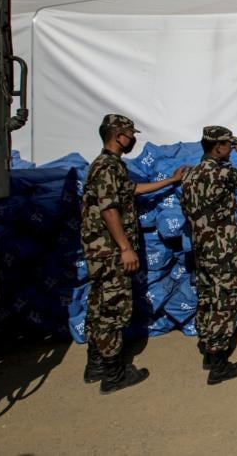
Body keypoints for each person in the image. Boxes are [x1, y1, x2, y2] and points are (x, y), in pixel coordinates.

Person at [81, 114, 188, 395]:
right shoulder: (105, 166)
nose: (133, 139)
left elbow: (131, 191)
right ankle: (114, 374)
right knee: (113, 310)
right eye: (131, 134)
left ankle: (96, 365)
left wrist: (170, 181)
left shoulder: (112, 166)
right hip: (109, 252)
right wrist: (125, 248)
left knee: (98, 307)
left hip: (102, 251)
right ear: (118, 135)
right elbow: (109, 209)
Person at [180, 126, 237, 385]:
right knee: (223, 302)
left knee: (206, 297)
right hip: (221, 250)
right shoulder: (222, 171)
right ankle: (219, 365)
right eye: (228, 145)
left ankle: (208, 350)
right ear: (218, 147)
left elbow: (193, 208)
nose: (230, 148)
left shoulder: (191, 175)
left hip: (201, 248)